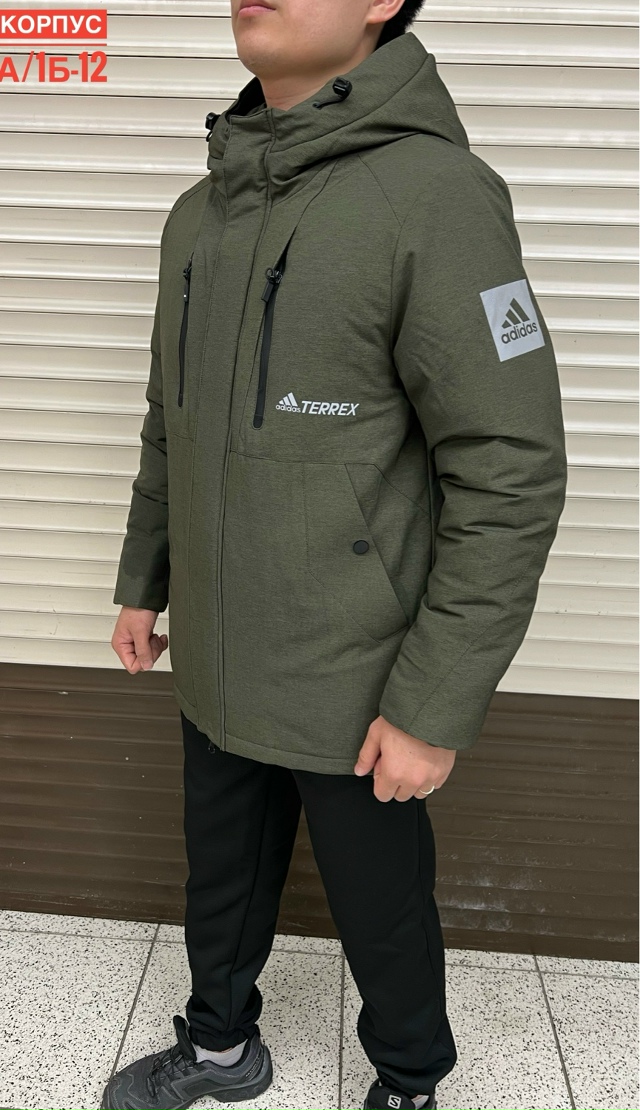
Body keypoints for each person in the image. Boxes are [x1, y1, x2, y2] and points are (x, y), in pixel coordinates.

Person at [105, 0, 568, 1107]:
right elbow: (172, 420)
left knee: (380, 904)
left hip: (357, 671)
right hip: (219, 643)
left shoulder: (437, 197)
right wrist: (144, 580)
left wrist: (434, 704)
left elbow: (510, 468)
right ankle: (222, 1046)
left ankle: (408, 1080)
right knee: (221, 872)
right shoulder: (199, 213)